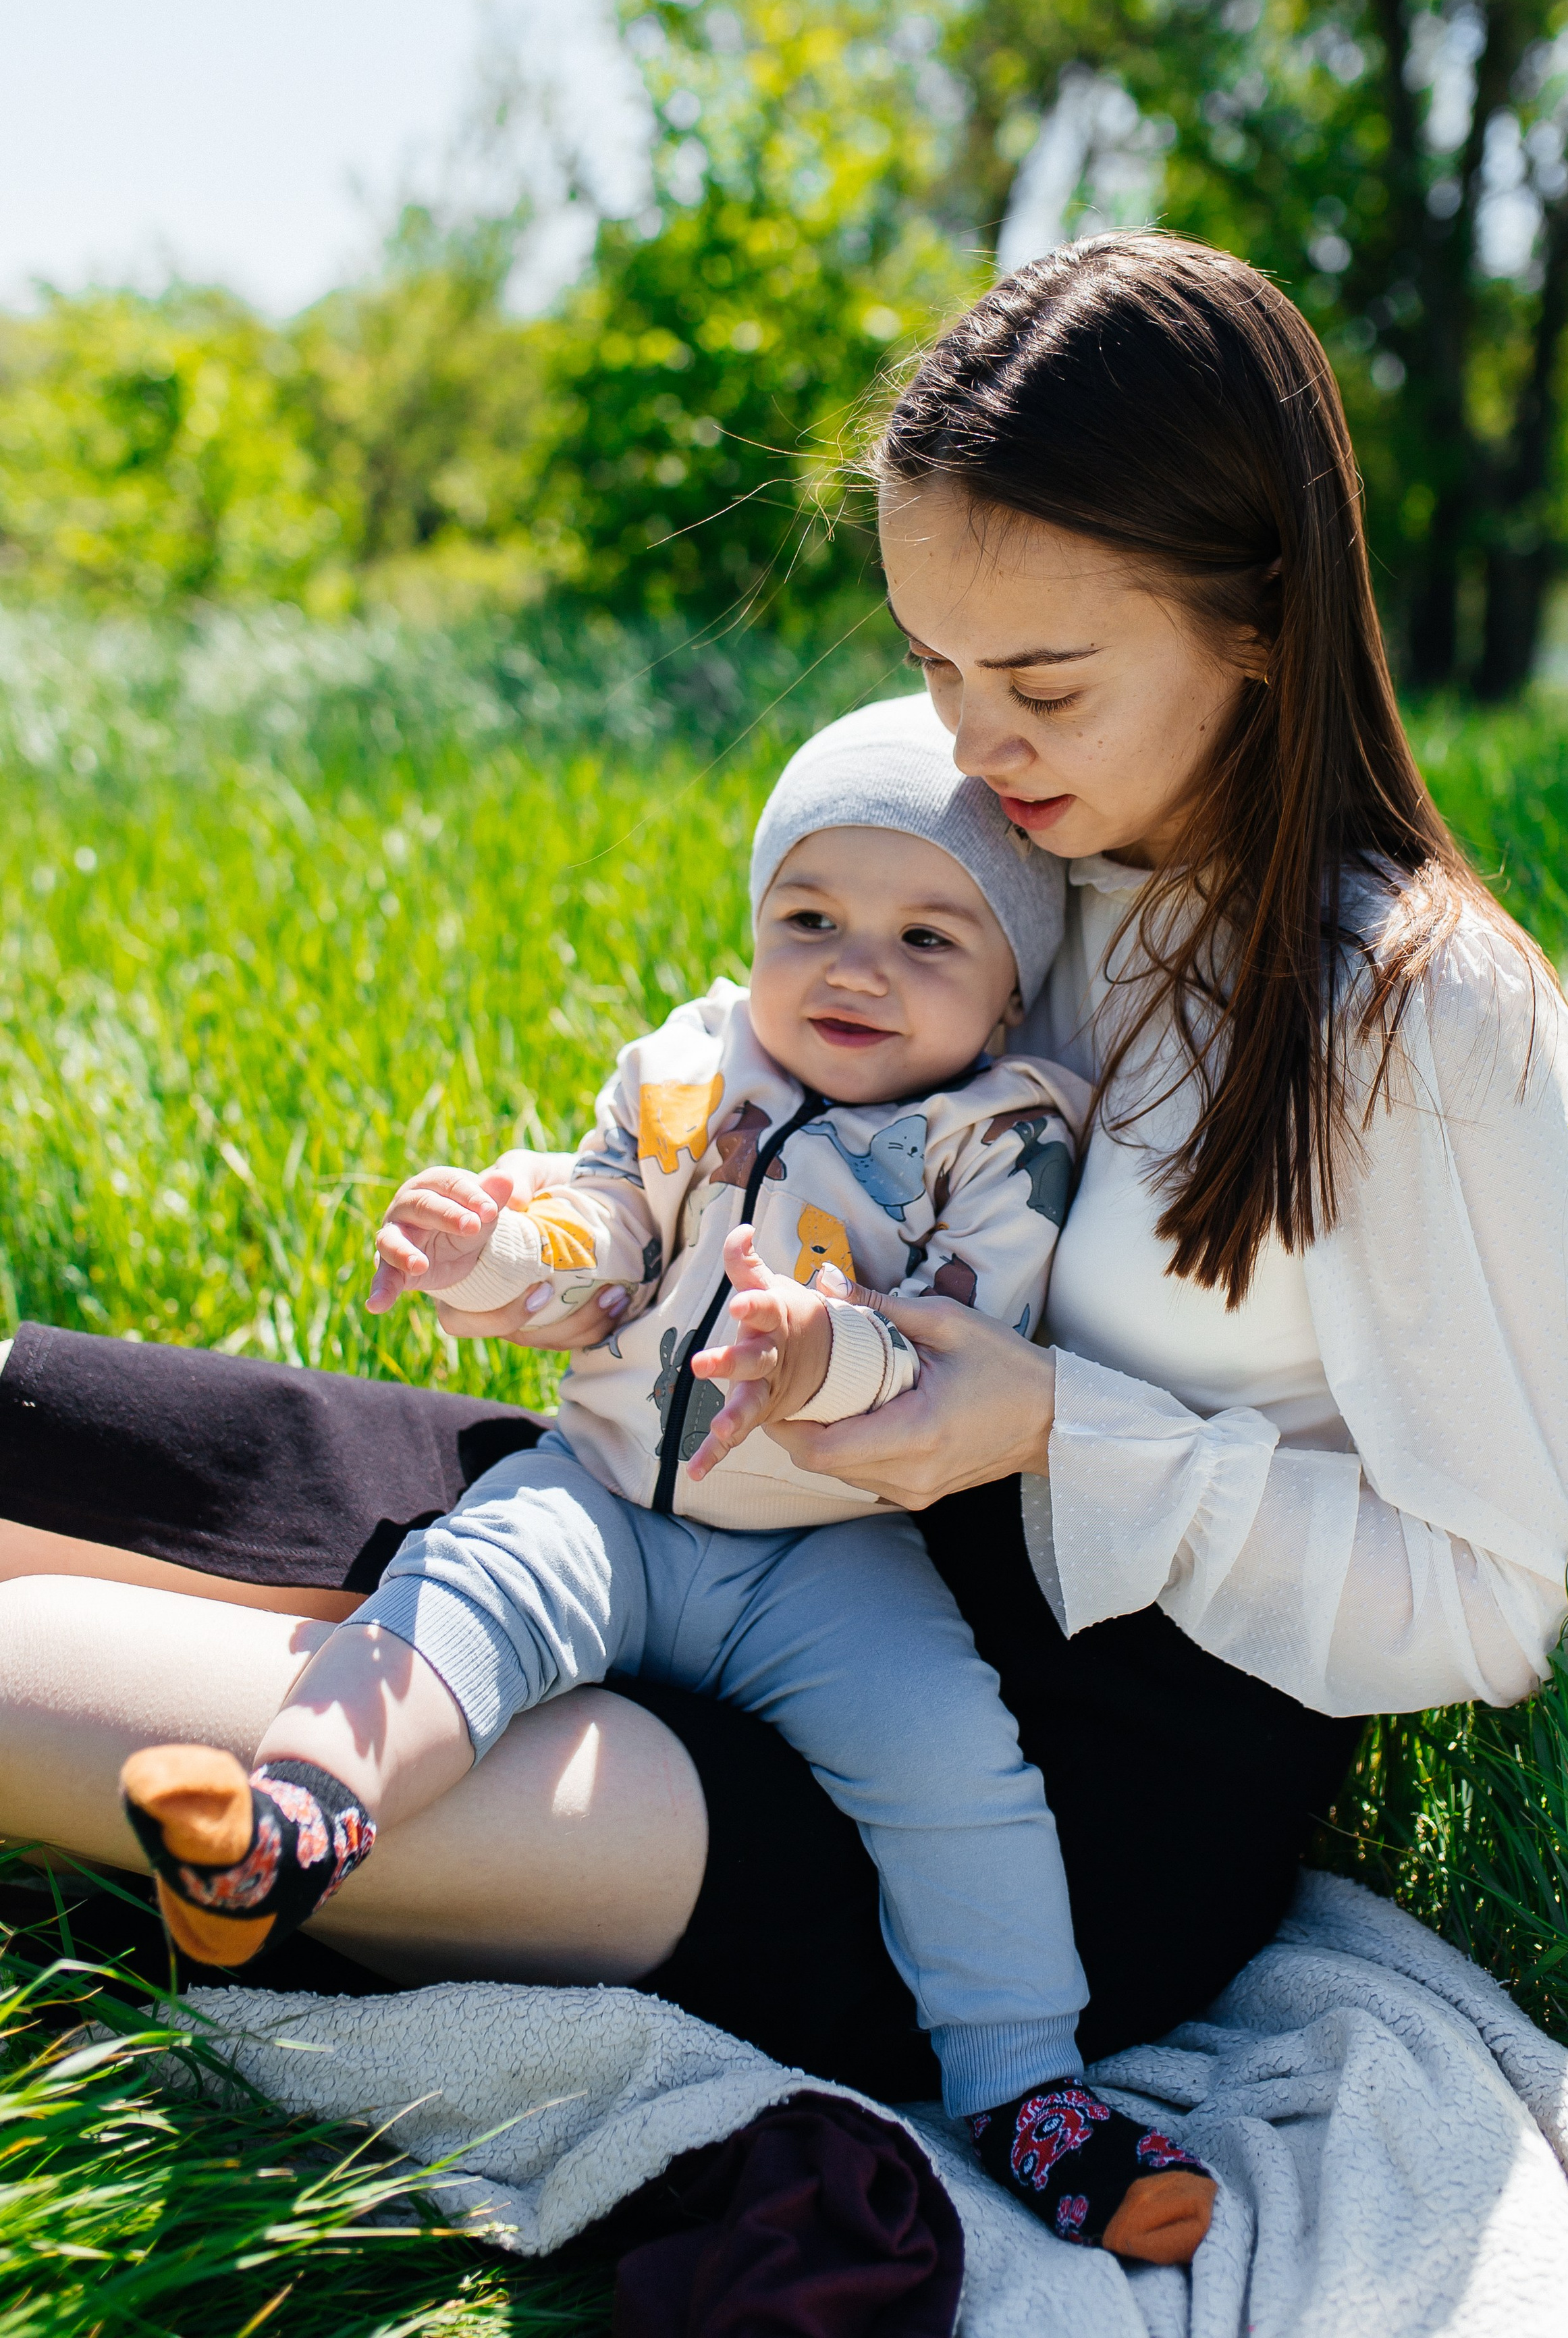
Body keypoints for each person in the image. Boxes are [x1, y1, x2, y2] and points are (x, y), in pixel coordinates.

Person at [0, 231, 1568, 2177]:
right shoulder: (1031, 851)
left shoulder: (1416, 1014)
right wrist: (574, 1228)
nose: (970, 738)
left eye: (1038, 681)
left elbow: (1500, 1595)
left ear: (1261, 617)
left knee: (130, 1714)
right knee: (51, 1428)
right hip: (736, 1476)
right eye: (932, 662)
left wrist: (1056, 1433)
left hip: (1033, 1788)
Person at [115, 698, 1216, 2263]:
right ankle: (292, 1824)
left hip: (826, 1556)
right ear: (755, 922)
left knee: (951, 1765)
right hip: (605, 1496)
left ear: (1009, 988)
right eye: (811, 917)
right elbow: (602, 1238)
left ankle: (1029, 2088)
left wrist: (818, 1352)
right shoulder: (691, 1074)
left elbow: (965, 1335)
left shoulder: (1001, 1137)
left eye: (926, 940)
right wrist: (489, 1250)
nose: (853, 966)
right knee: (451, 1597)